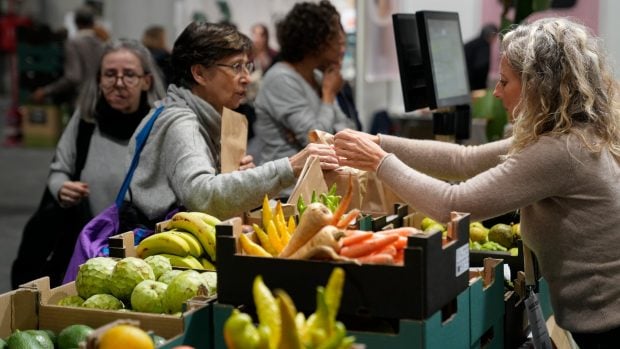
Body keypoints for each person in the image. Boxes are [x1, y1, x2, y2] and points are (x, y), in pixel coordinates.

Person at [334, 17, 620, 347]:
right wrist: (378, 141)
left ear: (538, 86)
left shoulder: (562, 151)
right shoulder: (578, 134)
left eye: (505, 81)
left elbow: (453, 205)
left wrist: (379, 162)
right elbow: (463, 160)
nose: (496, 91)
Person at [122, 21, 338, 224]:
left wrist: (229, 177)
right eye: (236, 67)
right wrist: (290, 167)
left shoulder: (195, 113)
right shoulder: (181, 122)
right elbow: (203, 197)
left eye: (248, 67)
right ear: (199, 73)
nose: (246, 77)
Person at [11, 39, 166, 288]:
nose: (118, 83)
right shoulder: (86, 122)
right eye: (110, 75)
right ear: (99, 80)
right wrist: (62, 188)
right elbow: (59, 169)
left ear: (146, 81)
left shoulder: (161, 128)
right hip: (86, 250)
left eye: (129, 75)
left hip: (141, 256)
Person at [252, 0, 357, 168]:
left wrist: (319, 131)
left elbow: (348, 129)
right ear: (317, 42)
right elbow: (317, 141)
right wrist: (328, 95)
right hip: (290, 190)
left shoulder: (317, 76)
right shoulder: (281, 79)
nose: (341, 47)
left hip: (322, 183)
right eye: (337, 40)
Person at [31, 6, 105, 108]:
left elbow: (73, 77)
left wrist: (46, 91)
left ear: (76, 23)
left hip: (80, 101)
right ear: (93, 23)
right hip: (99, 99)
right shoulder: (101, 44)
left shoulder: (73, 43)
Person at [464, 23, 498, 90]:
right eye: (495, 36)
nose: (496, 39)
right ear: (491, 36)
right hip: (474, 85)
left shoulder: (472, 43)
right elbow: (480, 67)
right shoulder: (483, 47)